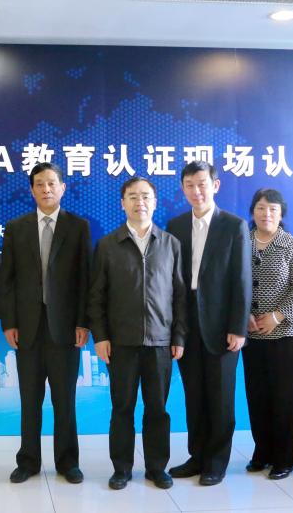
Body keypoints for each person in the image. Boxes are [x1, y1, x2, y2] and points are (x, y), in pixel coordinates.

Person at [88, 176, 187, 491]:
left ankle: (157, 468)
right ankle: (121, 468)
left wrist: (178, 337)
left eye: (145, 196)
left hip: (160, 342)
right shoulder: (108, 245)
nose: (139, 202)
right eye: (132, 196)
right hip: (121, 343)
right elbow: (96, 296)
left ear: (154, 202)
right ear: (123, 203)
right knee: (122, 408)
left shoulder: (170, 244)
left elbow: (180, 296)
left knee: (157, 409)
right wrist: (100, 336)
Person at [0, 163, 91, 485]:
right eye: (40, 184)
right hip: (28, 328)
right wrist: (9, 322)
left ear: (62, 188)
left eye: (52, 183)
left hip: (65, 329)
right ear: (32, 190)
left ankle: (68, 462)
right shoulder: (17, 227)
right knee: (30, 400)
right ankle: (28, 461)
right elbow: (7, 280)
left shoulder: (78, 227)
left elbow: (85, 279)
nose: (46, 189)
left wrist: (83, 322)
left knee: (64, 400)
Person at [166, 161, 251, 486]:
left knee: (221, 397)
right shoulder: (175, 225)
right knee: (195, 395)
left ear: (215, 186)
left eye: (201, 184)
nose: (196, 191)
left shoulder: (233, 225)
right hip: (186, 324)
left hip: (222, 325)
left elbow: (242, 280)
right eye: (189, 185)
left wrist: (238, 327)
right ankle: (197, 456)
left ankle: (216, 461)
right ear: (183, 189)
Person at [241, 188, 293, 480]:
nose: (266, 214)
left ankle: (284, 458)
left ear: (281, 214)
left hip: (286, 335)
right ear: (253, 211)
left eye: (272, 209)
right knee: (257, 395)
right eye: (260, 208)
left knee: (284, 398)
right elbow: (233, 282)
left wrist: (276, 316)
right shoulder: (242, 243)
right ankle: (262, 452)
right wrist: (243, 315)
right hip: (252, 334)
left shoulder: (292, 245)